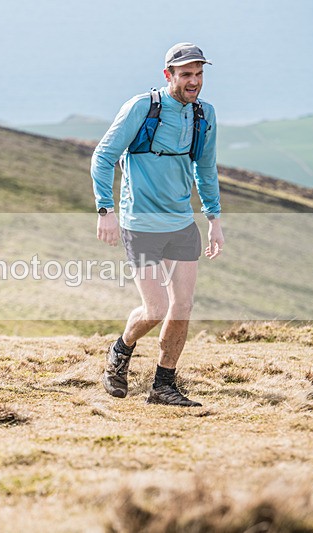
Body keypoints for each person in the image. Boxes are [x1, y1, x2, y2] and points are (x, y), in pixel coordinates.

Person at [91, 43, 224, 407]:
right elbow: (103, 157)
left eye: (198, 74)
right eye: (186, 75)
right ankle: (120, 351)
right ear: (168, 75)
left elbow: (206, 169)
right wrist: (105, 210)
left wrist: (214, 218)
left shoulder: (204, 115)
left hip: (181, 221)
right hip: (140, 222)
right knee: (156, 309)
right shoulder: (142, 107)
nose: (193, 81)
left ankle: (163, 386)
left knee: (182, 306)